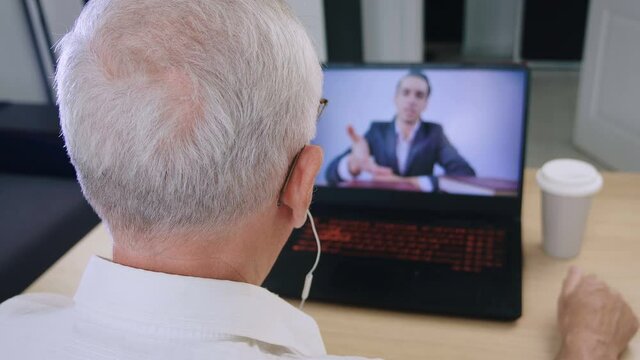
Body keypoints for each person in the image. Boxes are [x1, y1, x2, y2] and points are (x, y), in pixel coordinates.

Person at [0, 0, 636, 359]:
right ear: (303, 182)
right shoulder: (375, 138)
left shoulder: (13, 325)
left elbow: (468, 179)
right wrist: (590, 346)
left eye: (421, 94)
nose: (412, 101)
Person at [325, 72, 475, 192]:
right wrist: (353, 164)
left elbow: (466, 174)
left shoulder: (434, 133)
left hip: (423, 210)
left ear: (425, 103)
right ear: (395, 98)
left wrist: (403, 182)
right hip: (384, 210)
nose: (411, 100)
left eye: (419, 95)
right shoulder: (377, 131)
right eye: (406, 93)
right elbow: (330, 175)